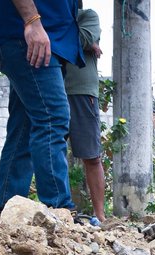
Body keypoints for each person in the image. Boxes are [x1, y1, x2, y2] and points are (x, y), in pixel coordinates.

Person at [0, 0, 81, 213]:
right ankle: (58, 210)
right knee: (52, 118)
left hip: (38, 37)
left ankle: (8, 211)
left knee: (24, 128)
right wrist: (32, 20)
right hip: (29, 35)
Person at [63, 2, 104, 226]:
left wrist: (89, 43)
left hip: (82, 90)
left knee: (92, 156)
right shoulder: (46, 16)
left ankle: (100, 215)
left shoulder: (88, 15)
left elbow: (84, 39)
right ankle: (61, 210)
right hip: (53, 89)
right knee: (53, 152)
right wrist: (87, 46)